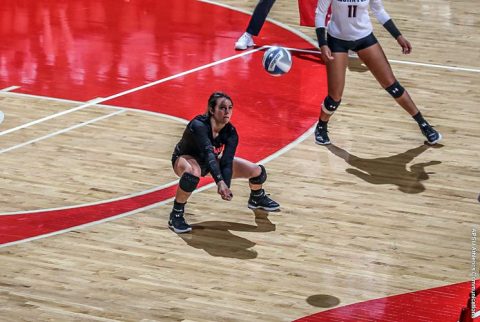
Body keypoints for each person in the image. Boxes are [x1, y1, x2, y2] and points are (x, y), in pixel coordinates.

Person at [314, 0, 442, 145]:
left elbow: (379, 11)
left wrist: (398, 36)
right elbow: (320, 14)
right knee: (335, 97)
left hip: (364, 38)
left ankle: (423, 124)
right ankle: (321, 126)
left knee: (393, 86)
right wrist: (323, 44)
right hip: (337, 40)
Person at [169, 92, 280, 234]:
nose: (227, 111)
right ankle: (176, 214)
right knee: (193, 173)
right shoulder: (198, 125)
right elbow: (208, 153)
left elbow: (226, 161)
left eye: (230, 108)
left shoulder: (231, 132)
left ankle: (257, 197)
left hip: (210, 162)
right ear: (211, 110)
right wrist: (219, 182)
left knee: (257, 172)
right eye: (222, 108)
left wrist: (225, 186)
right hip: (185, 159)